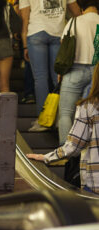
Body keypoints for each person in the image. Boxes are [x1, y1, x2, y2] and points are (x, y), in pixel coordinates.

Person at [27, 63, 99, 194]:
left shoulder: (90, 107)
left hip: (96, 182)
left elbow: (74, 146)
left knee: (65, 112)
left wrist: (46, 157)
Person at [20, 0, 81, 131]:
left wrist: (24, 44)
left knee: (40, 79)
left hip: (36, 32)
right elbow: (77, 12)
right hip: (59, 33)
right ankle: (61, 119)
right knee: (58, 78)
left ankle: (43, 121)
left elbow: (25, 19)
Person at [57, 0, 99, 145]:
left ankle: (66, 151)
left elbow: (64, 46)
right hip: (96, 73)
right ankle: (88, 148)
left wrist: (61, 71)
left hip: (74, 70)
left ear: (82, 7)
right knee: (90, 115)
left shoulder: (75, 22)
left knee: (65, 113)